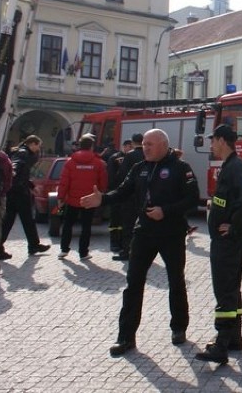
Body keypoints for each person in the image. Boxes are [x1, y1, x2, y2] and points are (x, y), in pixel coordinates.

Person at [80, 129, 200, 357]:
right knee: (133, 284)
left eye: (150, 145)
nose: (145, 148)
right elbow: (123, 192)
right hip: (144, 232)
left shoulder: (180, 168)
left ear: (164, 145)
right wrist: (102, 199)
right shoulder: (140, 167)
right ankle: (125, 337)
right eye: (144, 144)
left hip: (171, 233)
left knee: (176, 282)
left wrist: (166, 211)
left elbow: (192, 199)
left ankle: (178, 327)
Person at [195, 124, 242, 364]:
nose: (211, 145)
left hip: (226, 242)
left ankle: (221, 344)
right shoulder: (233, 166)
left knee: (224, 289)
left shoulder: (234, 167)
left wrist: (234, 227)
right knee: (232, 288)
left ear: (221, 140)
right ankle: (234, 338)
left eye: (213, 140)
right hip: (228, 240)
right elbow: (233, 200)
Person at [56, 134, 107, 260]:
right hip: (90, 200)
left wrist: (61, 197)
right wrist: (101, 195)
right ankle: (83, 252)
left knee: (68, 224)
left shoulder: (70, 162)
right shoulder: (98, 163)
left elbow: (64, 181)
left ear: (79, 146)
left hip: (73, 199)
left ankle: (64, 250)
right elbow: (103, 182)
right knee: (86, 226)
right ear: (92, 147)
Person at [0, 135, 50, 259]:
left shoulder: (21, 152)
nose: (39, 149)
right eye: (38, 146)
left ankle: (32, 244)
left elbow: (22, 174)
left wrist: (31, 186)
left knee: (14, 220)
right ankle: (32, 245)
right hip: (19, 193)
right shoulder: (23, 153)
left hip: (16, 191)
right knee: (21, 220)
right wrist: (20, 186)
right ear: (32, 144)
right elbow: (16, 170)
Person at [112, 133, 145, 261]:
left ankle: (127, 252)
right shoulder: (148, 153)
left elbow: (122, 175)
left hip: (130, 196)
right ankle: (142, 252)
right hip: (144, 195)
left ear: (132, 142)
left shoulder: (130, 155)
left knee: (128, 225)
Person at [106, 139, 133, 253]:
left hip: (127, 194)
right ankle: (114, 242)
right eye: (129, 146)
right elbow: (111, 176)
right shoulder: (115, 158)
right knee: (115, 219)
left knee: (124, 220)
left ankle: (123, 243)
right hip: (117, 193)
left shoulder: (130, 158)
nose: (131, 149)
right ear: (125, 146)